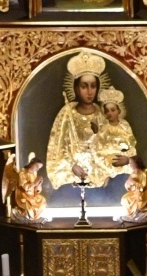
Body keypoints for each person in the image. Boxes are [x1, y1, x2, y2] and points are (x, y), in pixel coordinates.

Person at [45, 49, 111, 189]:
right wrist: (72, 166)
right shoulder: (67, 113)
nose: (89, 92)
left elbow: (108, 146)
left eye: (93, 86)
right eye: (84, 86)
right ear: (76, 88)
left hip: (97, 170)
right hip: (71, 172)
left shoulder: (101, 114)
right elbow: (58, 147)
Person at [94, 89, 135, 178]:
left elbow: (131, 143)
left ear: (119, 111)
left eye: (113, 110)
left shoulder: (125, 125)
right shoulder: (104, 128)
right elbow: (99, 147)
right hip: (107, 162)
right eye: (107, 111)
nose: (110, 113)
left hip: (124, 160)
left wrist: (128, 159)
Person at [120, 156, 147, 221]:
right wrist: (128, 185)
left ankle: (136, 213)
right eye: (130, 163)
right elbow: (128, 182)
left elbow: (144, 184)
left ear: (136, 163)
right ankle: (130, 214)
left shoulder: (142, 173)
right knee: (124, 198)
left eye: (131, 163)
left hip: (139, 193)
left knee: (128, 199)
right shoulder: (133, 173)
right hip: (133, 191)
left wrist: (136, 184)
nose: (130, 165)